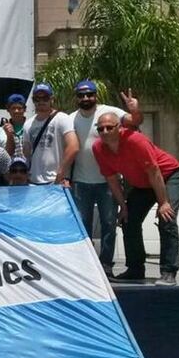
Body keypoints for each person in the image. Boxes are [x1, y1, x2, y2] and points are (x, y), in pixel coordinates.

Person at [92, 112, 179, 285]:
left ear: (119, 128)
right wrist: (123, 207)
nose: (104, 132)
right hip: (143, 185)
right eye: (100, 129)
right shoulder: (98, 148)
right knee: (128, 220)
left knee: (167, 219)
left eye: (109, 128)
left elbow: (154, 171)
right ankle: (135, 269)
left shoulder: (135, 140)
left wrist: (163, 202)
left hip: (167, 176)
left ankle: (168, 271)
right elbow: (112, 180)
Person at [70, 80, 142, 277]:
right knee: (81, 226)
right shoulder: (70, 119)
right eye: (81, 95)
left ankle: (106, 266)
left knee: (109, 224)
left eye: (89, 95)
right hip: (80, 182)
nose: (86, 98)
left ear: (96, 96)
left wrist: (135, 110)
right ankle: (87, 266)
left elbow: (134, 122)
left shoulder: (110, 112)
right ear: (76, 98)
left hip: (107, 183)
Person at [22, 83, 78, 185]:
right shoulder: (28, 124)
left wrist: (61, 174)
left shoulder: (62, 118)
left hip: (56, 181)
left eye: (45, 98)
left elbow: (73, 147)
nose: (41, 101)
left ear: (51, 99)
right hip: (33, 182)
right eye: (37, 99)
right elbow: (26, 153)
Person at [3, 94, 27, 158]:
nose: (16, 111)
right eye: (13, 108)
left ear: (24, 109)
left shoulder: (31, 127)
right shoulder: (3, 130)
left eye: (19, 108)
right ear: (8, 110)